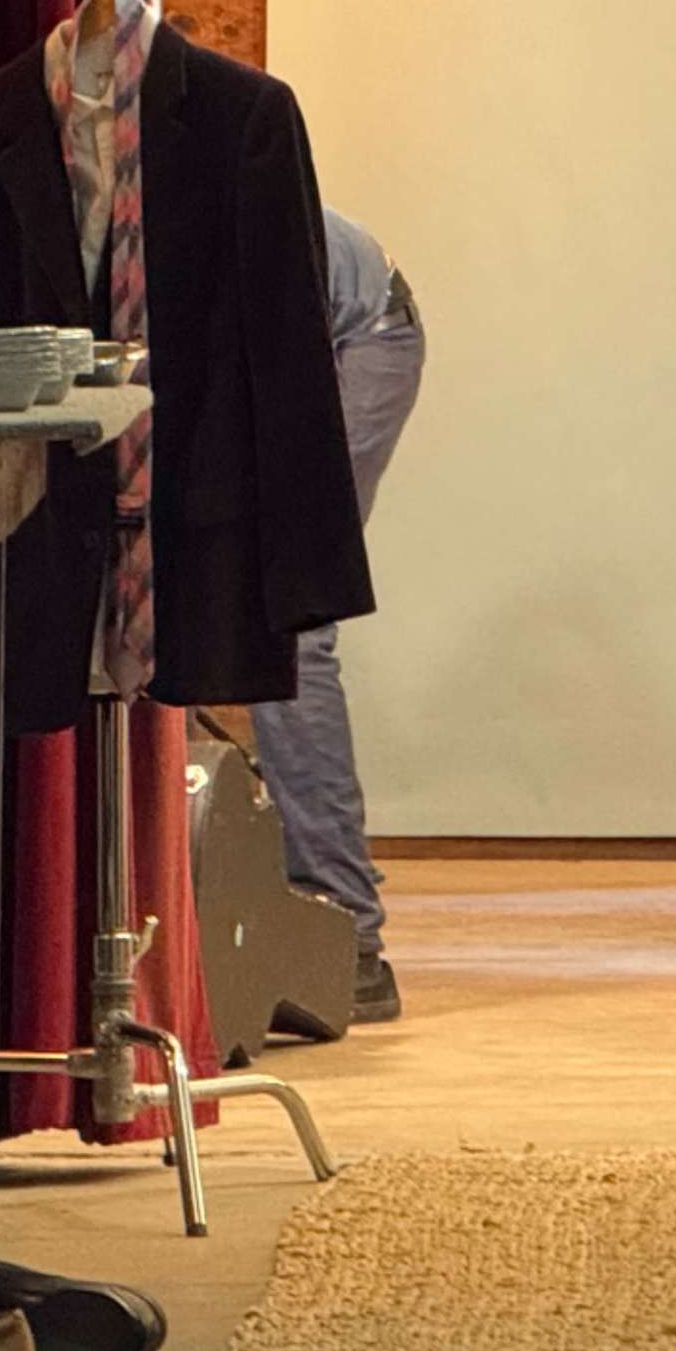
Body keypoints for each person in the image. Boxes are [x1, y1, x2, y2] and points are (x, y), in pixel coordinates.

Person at [252, 205, 423, 1023]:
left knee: (288, 615)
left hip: (359, 335)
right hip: (276, 340)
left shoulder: (178, 171)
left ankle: (343, 934)